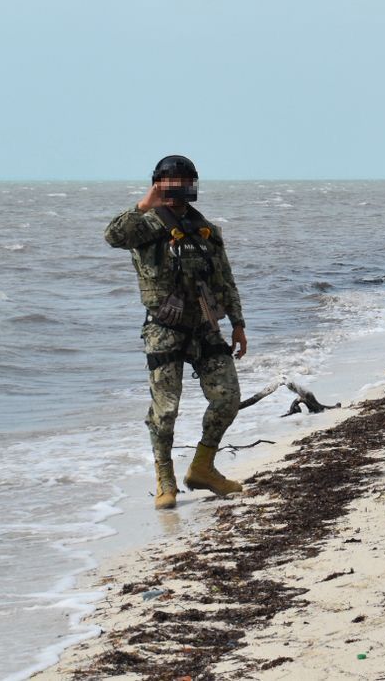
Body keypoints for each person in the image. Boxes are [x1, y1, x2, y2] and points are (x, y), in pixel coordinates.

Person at [105, 155, 248, 509]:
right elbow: (112, 236)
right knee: (165, 411)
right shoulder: (144, 226)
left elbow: (224, 279)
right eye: (168, 183)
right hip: (164, 328)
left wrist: (238, 323)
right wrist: (144, 203)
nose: (176, 190)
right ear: (157, 184)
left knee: (227, 398)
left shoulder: (206, 231)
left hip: (206, 326)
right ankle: (165, 480)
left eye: (183, 183)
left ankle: (203, 467)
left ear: (193, 186)